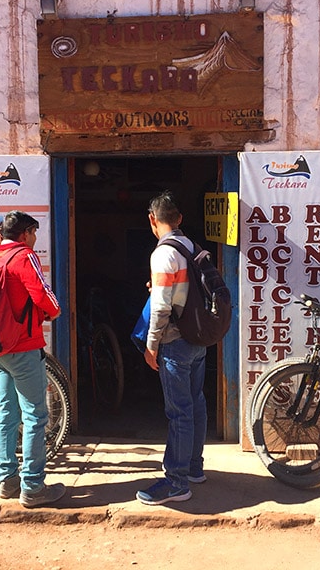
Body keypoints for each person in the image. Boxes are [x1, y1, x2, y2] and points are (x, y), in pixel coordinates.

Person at [0, 211, 66, 508]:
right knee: (35, 415)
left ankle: (6, 480)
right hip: (22, 346)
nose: (35, 238)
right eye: (33, 232)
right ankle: (33, 486)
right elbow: (44, 296)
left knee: (7, 412)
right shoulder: (24, 255)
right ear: (25, 234)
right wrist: (54, 311)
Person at [136, 190, 208, 505]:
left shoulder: (163, 254)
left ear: (153, 221)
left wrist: (151, 346)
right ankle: (194, 468)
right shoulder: (192, 247)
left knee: (178, 412)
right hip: (197, 337)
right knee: (196, 402)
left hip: (175, 342)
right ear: (179, 219)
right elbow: (187, 290)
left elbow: (161, 308)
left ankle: (177, 483)